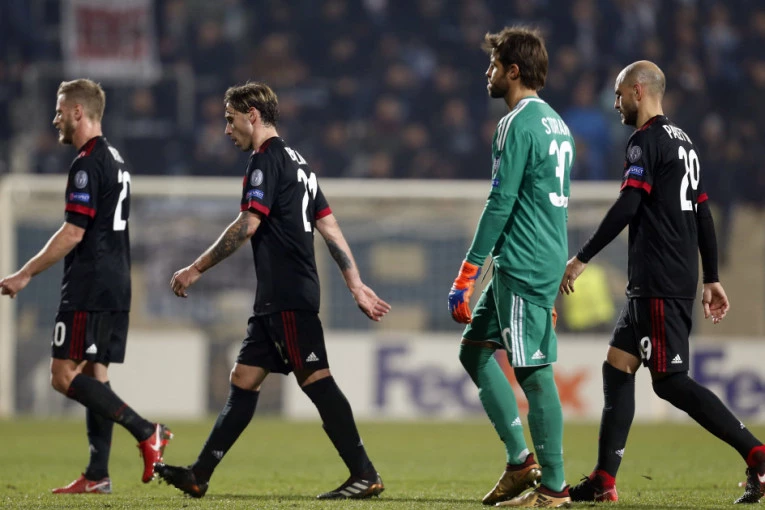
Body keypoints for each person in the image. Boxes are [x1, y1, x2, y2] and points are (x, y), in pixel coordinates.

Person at [154, 82, 391, 500]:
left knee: (317, 381)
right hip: (275, 299)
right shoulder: (301, 164)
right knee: (243, 379)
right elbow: (329, 226)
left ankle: (364, 472)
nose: (226, 130)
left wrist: (195, 268)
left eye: (230, 120)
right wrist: (354, 283)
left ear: (252, 115)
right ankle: (199, 474)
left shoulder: (264, 161)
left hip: (288, 294)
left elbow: (248, 224)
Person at [559, 60, 765, 505]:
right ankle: (604, 479)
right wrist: (711, 277)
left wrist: (582, 257)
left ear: (638, 91)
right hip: (662, 279)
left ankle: (758, 454)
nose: (615, 105)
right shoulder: (684, 142)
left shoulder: (645, 141)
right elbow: (703, 212)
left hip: (658, 279)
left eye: (618, 95)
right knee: (617, 365)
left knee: (670, 381)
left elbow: (629, 204)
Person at [0, 79, 172, 494]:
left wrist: (25, 273)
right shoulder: (116, 158)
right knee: (95, 373)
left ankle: (146, 431)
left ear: (78, 112)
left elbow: (74, 232)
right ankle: (97, 475)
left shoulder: (87, 163)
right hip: (116, 281)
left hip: (90, 284)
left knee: (62, 376)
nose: (55, 118)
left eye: (60, 110)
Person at [448, 26, 574, 508]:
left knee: (533, 372)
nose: (488, 72)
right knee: (474, 351)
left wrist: (468, 271)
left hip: (522, 261)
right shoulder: (557, 124)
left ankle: (555, 489)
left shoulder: (515, 123)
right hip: (533, 259)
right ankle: (521, 462)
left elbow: (500, 203)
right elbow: (550, 205)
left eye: (494, 64)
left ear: (513, 71)